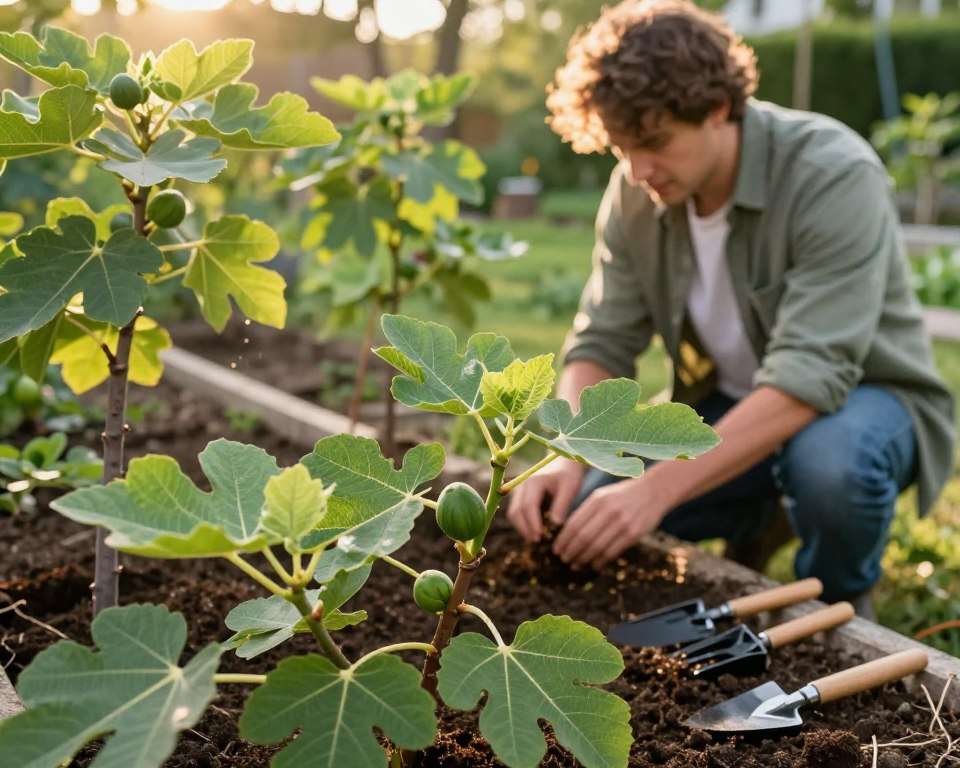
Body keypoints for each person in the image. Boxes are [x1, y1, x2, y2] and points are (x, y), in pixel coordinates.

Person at [506, 0, 955, 615]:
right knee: (586, 512)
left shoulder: (833, 173)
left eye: (655, 142)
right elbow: (601, 344)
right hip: (731, 405)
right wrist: (571, 451)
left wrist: (655, 490)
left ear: (718, 107)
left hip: (866, 401)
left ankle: (839, 605)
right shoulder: (637, 191)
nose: (637, 170)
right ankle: (763, 514)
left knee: (829, 468)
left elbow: (809, 376)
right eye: (620, 148)